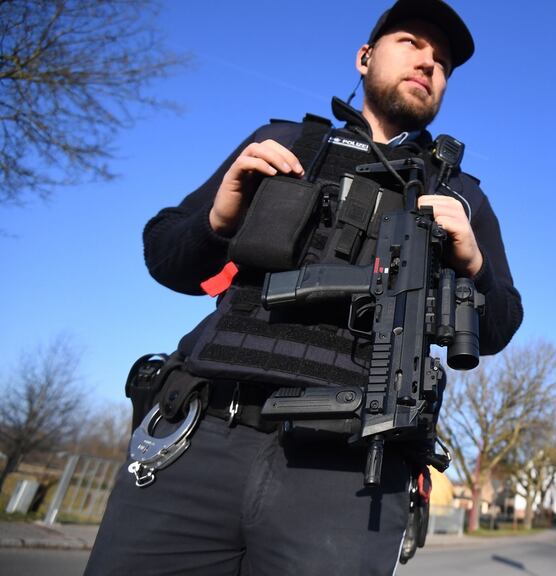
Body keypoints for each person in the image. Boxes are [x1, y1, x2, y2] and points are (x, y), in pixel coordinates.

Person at [85, 1, 522, 574]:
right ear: (365, 58)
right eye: (411, 44)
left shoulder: (461, 196)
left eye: (441, 62)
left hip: (351, 479)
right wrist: (215, 222)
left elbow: (498, 328)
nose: (428, 63)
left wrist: (474, 263)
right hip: (204, 435)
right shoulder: (282, 143)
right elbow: (165, 259)